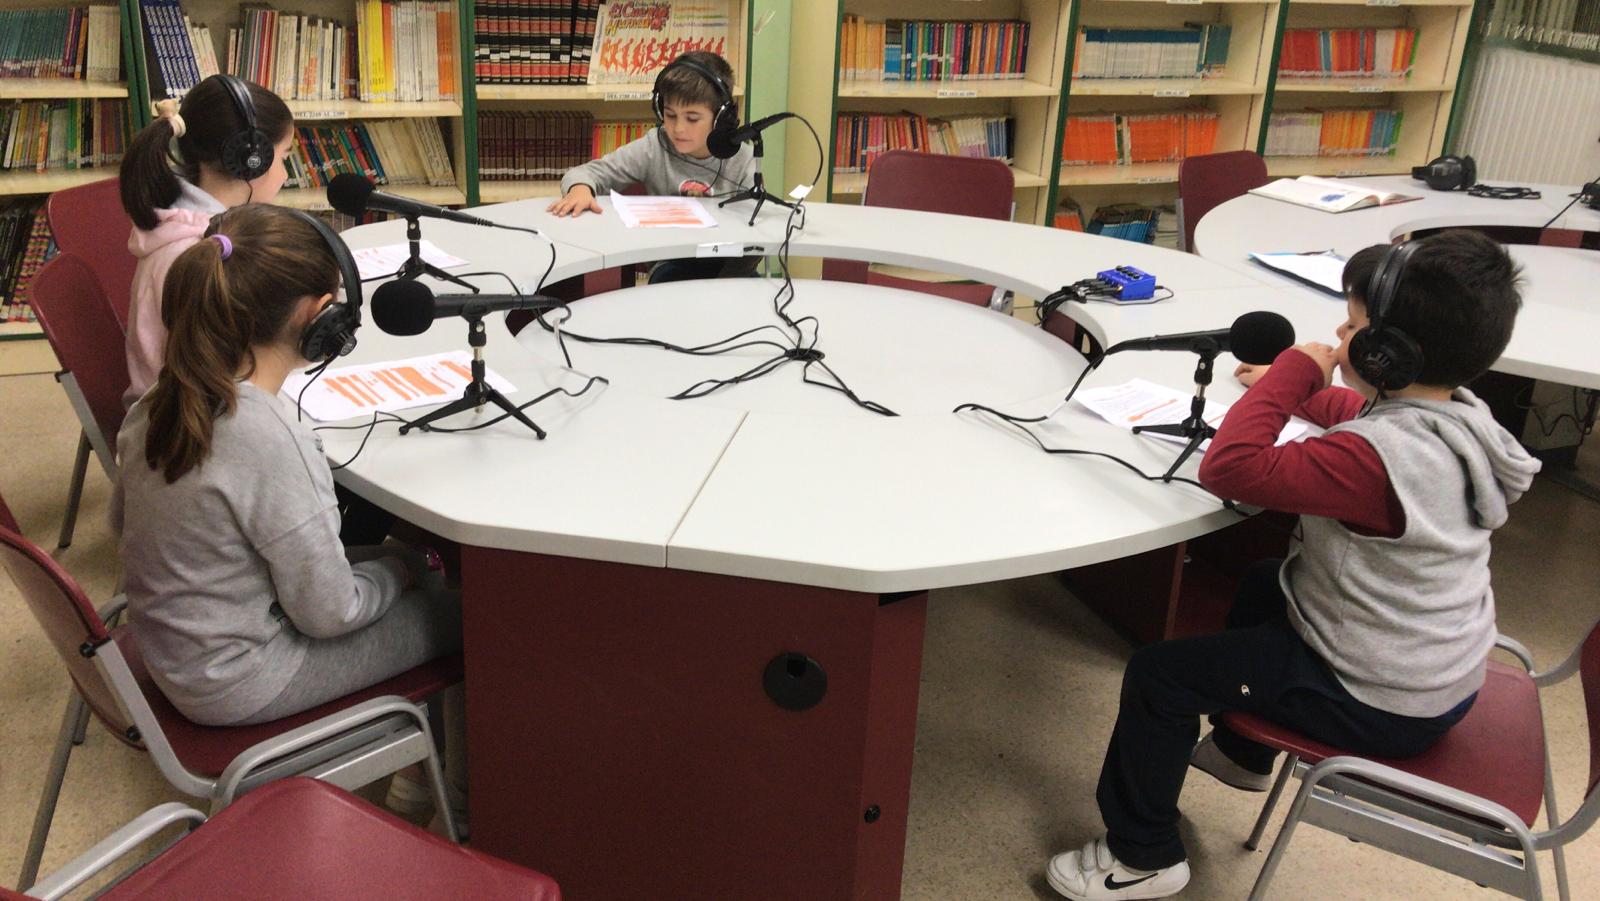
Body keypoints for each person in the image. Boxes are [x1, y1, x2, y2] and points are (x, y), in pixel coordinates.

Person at [1045, 230, 1542, 900]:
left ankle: (1142, 856)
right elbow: (1363, 415)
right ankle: (1245, 752)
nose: (1339, 334)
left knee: (1159, 678)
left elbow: (1232, 467)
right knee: (1263, 580)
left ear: (1385, 353)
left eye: (1353, 325)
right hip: (1434, 667)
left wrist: (1294, 374)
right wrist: (1293, 391)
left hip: (1375, 694)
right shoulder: (1460, 415)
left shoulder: (1370, 463)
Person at [111, 205, 465, 830]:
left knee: (389, 559)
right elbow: (332, 614)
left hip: (170, 648)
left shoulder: (160, 400)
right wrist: (405, 573)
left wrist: (387, 563)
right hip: (240, 679)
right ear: (317, 317)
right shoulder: (267, 433)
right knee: (467, 614)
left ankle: (424, 778)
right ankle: (450, 805)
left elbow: (127, 528)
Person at [120, 74, 295, 410]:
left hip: (181, 407)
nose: (286, 175)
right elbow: (220, 381)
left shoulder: (185, 221)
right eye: (284, 156)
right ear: (251, 159)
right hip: (190, 428)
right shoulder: (200, 254)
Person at [547, 50, 757, 282]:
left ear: (721, 118)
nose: (678, 128)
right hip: (671, 263)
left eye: (692, 118)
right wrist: (580, 188)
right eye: (670, 115)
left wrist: (723, 285)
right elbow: (584, 173)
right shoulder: (654, 147)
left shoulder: (743, 159)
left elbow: (756, 234)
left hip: (728, 264)